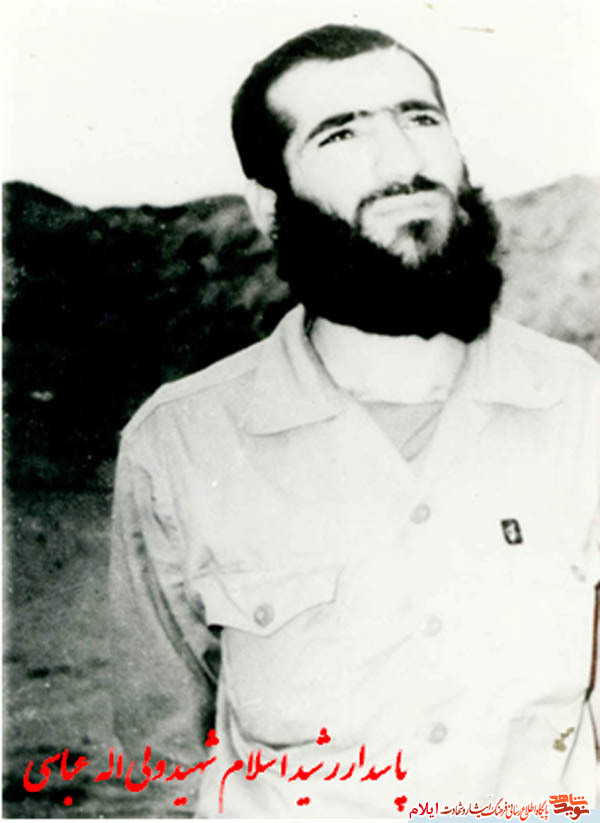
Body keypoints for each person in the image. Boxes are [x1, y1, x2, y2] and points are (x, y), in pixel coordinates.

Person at [110, 24, 600, 817]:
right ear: (269, 203)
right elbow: (162, 762)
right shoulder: (179, 443)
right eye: (341, 134)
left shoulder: (584, 408)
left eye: (420, 118)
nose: (402, 160)